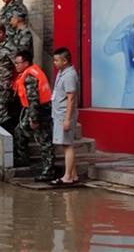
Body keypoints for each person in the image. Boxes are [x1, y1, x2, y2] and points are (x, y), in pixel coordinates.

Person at [13, 50, 55, 181]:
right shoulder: (32, 71)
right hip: (39, 108)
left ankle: (49, 171)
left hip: (40, 110)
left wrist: (33, 119)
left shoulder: (30, 77)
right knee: (19, 131)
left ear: (25, 63)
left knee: (44, 141)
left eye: (18, 63)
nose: (16, 66)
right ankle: (23, 158)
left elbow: (33, 100)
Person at [51, 47, 79, 185]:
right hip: (58, 113)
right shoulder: (62, 73)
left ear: (65, 61)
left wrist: (67, 119)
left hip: (64, 114)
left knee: (67, 144)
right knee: (64, 144)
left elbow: (71, 98)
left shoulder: (69, 76)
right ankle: (73, 174)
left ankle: (67, 176)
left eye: (57, 60)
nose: (55, 63)